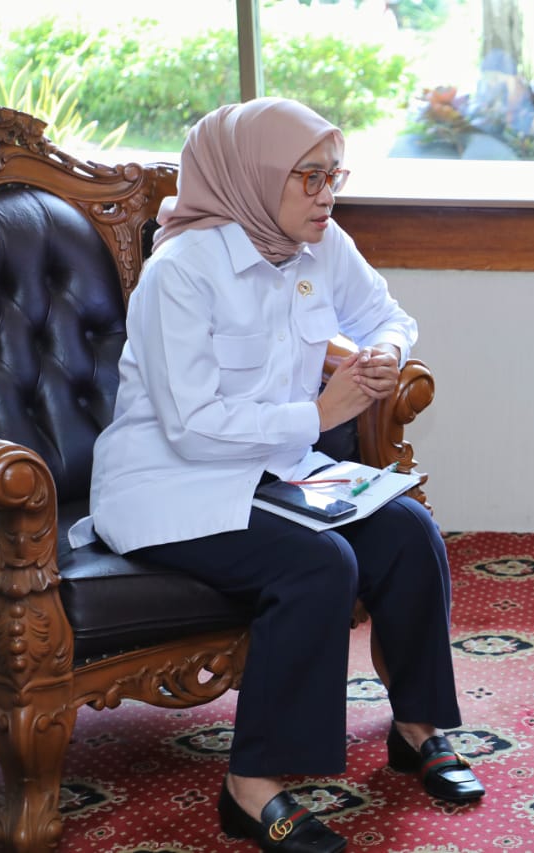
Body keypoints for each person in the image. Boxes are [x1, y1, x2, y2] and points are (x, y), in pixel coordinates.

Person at [70, 98, 484, 853]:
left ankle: (418, 726)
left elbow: (386, 313)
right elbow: (190, 425)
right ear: (255, 179)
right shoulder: (182, 271)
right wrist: (322, 408)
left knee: (407, 530)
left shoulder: (319, 241)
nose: (328, 194)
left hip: (274, 471)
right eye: (309, 177)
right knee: (318, 564)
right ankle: (252, 785)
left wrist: (385, 350)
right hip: (172, 486)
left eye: (335, 175)